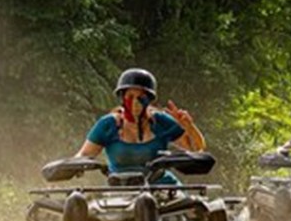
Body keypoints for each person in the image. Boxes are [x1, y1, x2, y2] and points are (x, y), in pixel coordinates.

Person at [77, 68, 205, 181]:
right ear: (122, 97)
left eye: (141, 97)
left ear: (149, 99)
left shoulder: (161, 121)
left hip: (163, 189)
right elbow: (83, 156)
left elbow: (196, 149)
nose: (135, 102)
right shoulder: (108, 125)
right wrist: (69, 168)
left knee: (195, 206)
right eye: (130, 96)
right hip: (120, 192)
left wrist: (189, 126)